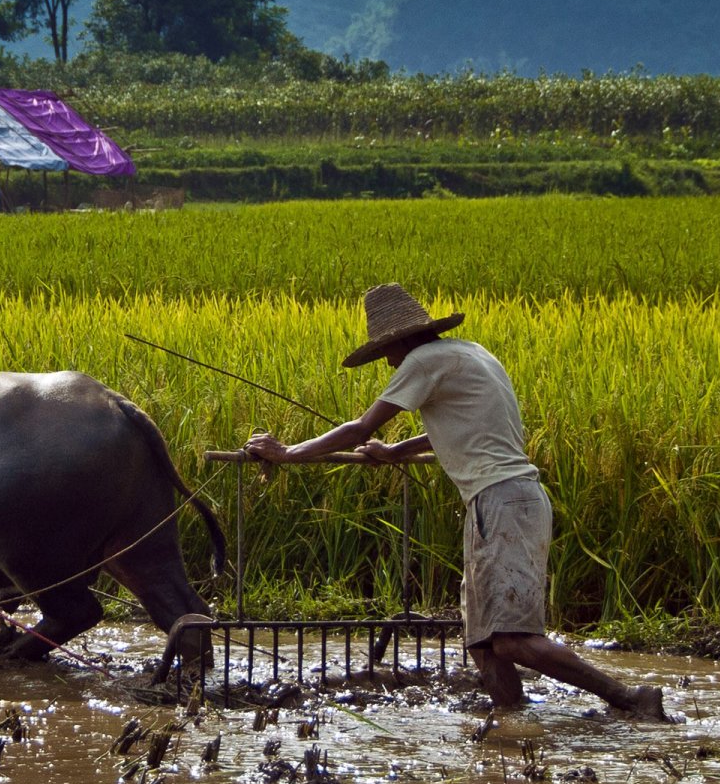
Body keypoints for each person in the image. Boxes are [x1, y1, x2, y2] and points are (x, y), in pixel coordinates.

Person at [244, 283, 667, 720]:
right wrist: (395, 454)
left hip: (503, 502)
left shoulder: (422, 361)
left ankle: (630, 698)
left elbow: (360, 429)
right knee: (483, 640)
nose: (389, 361)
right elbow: (455, 427)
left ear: (403, 340)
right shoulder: (470, 353)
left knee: (511, 638)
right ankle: (511, 722)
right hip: (502, 503)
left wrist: (288, 452)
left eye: (388, 350)